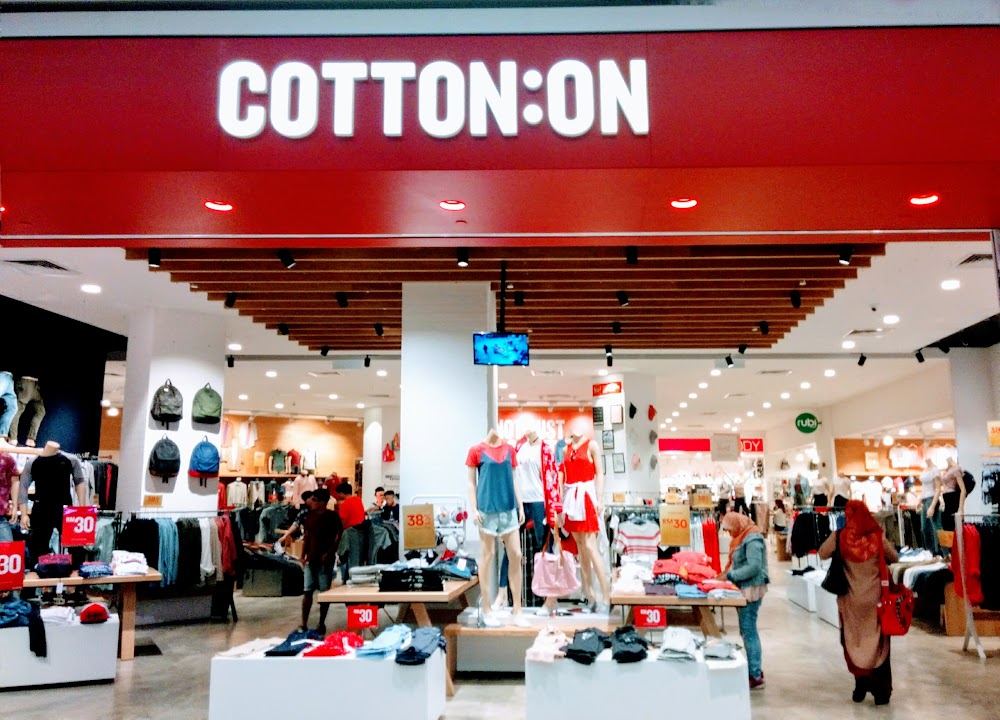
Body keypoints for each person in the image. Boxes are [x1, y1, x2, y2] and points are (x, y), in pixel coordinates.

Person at [818, 500, 898, 706]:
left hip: (851, 600)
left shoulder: (839, 536)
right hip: (876, 600)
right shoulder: (877, 536)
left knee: (854, 640)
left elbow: (822, 553)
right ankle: (880, 691)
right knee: (879, 642)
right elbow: (894, 557)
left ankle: (860, 684)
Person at [721, 512, 769, 690]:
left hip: (751, 588)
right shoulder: (743, 537)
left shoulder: (752, 538)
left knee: (749, 631)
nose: (730, 534)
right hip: (745, 587)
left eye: (730, 529)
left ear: (737, 525)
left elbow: (754, 567)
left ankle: (755, 675)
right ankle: (754, 670)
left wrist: (731, 576)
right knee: (747, 630)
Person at [299, 488, 342, 635]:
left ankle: (321, 622)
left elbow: (338, 536)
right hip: (311, 558)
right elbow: (307, 535)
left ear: (322, 502)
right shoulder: (310, 516)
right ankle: (304, 623)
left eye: (315, 500)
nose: (312, 503)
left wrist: (330, 552)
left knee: (324, 592)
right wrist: (303, 554)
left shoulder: (332, 517)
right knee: (307, 590)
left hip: (325, 559)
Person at [334, 481, 367, 582]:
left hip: (350, 532)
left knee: (347, 556)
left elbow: (343, 522)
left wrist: (338, 537)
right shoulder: (358, 500)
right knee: (358, 557)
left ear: (341, 493)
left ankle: (348, 579)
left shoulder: (344, 504)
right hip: (362, 531)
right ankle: (358, 578)